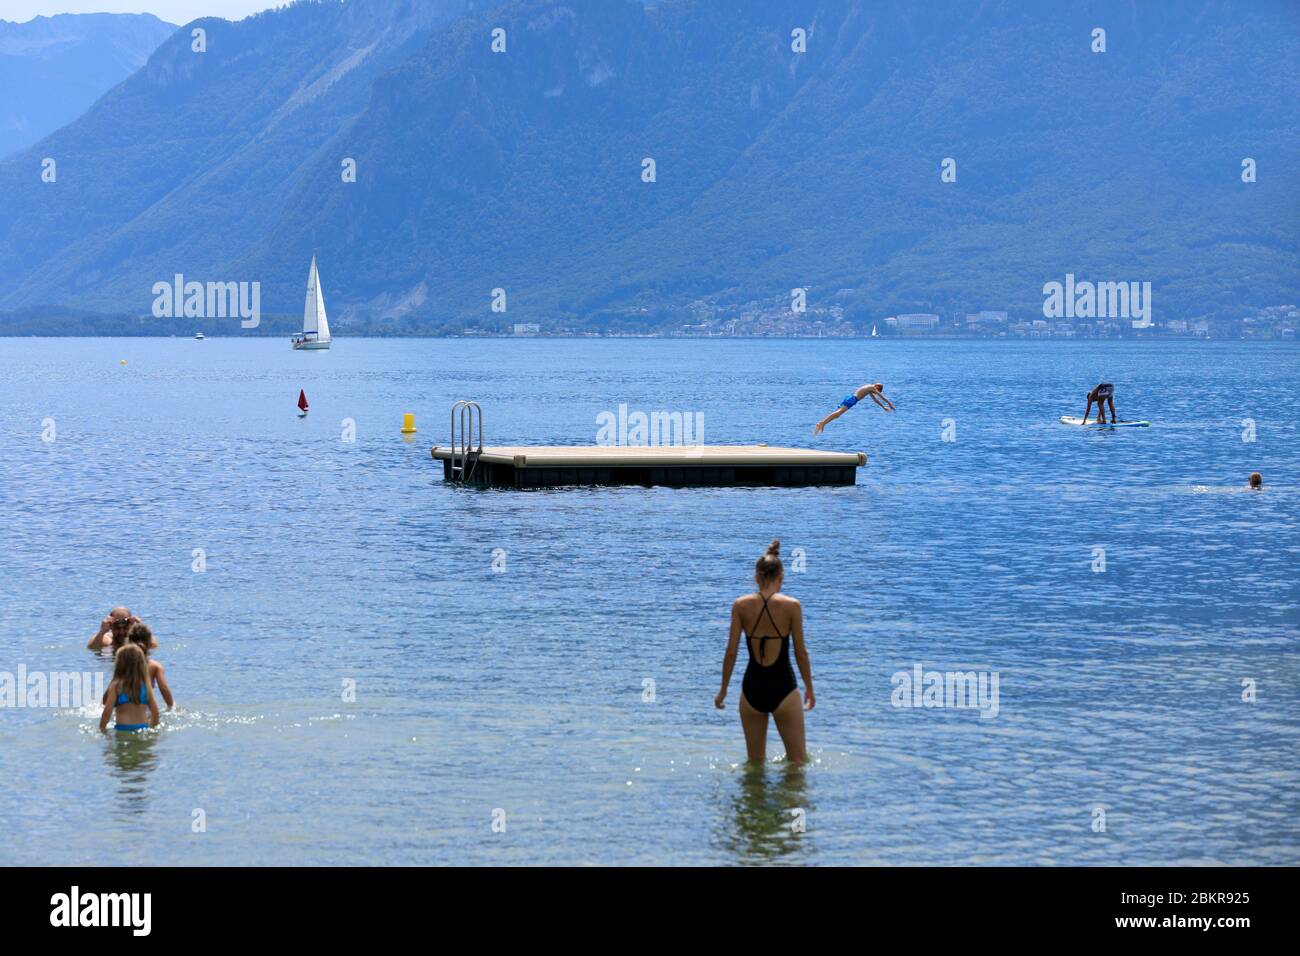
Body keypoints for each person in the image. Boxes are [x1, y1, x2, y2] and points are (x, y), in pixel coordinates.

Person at [715, 540, 814, 764]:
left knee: (755, 763)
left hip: (752, 690)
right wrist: (809, 687)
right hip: (784, 689)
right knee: (797, 763)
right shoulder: (792, 606)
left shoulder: (740, 605)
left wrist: (722, 691)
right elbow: (801, 652)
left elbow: (731, 652)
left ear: (757, 577)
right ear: (781, 577)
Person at [101, 622, 174, 710]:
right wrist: (171, 706)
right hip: (143, 710)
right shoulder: (155, 666)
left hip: (123, 709)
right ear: (150, 643)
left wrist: (104, 704)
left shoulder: (123, 663)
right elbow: (164, 688)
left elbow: (110, 689)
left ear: (128, 642)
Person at [98, 644, 160, 734]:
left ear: (119, 664)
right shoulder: (146, 686)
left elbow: (107, 711)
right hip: (143, 729)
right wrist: (152, 726)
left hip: (123, 729)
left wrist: (102, 729)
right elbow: (156, 712)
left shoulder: (116, 685)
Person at [814, 382, 895, 434]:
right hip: (853, 399)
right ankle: (821, 423)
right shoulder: (872, 387)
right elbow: (881, 396)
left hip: (851, 398)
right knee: (838, 413)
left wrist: (883, 407)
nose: (876, 392)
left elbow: (875, 400)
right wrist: (890, 403)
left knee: (838, 414)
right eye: (877, 390)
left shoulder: (869, 389)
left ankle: (823, 423)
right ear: (877, 386)